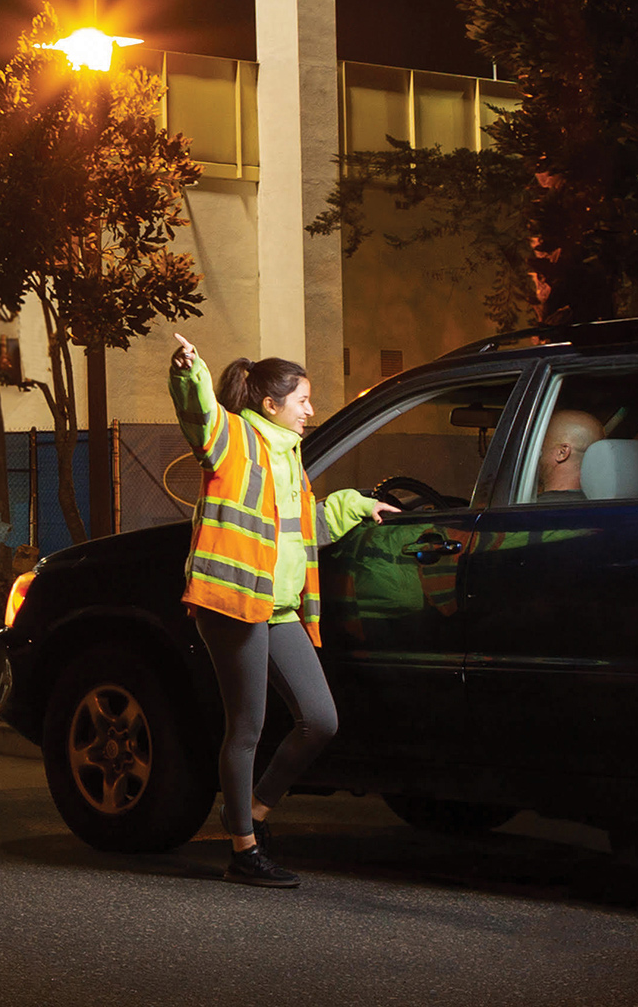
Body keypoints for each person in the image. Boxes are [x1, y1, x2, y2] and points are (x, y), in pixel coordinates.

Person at [171, 332, 395, 888]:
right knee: (246, 726)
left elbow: (307, 529)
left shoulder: (290, 459)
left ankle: (252, 814)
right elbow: (201, 418)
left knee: (320, 719)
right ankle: (243, 851)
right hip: (235, 602)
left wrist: (359, 504)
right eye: (303, 401)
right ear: (270, 404)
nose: (311, 411)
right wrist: (189, 371)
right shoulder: (236, 437)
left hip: (280, 608)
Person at [535, 409, 604, 496]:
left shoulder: (534, 507)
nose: (537, 454)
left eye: (542, 447)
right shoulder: (603, 504)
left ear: (562, 452)